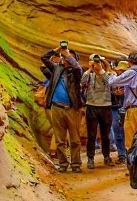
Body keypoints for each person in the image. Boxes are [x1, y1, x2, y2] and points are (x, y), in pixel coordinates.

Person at [41, 43, 84, 172]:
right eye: (64, 56)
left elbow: (77, 68)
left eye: (69, 57)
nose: (65, 57)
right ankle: (63, 164)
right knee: (60, 140)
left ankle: (76, 164)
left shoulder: (76, 72)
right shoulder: (56, 69)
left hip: (72, 109)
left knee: (75, 139)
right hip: (56, 108)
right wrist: (57, 50)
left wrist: (68, 55)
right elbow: (44, 58)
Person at [82, 54, 115, 168]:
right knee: (91, 135)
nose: (96, 64)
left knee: (105, 135)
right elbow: (82, 81)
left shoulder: (109, 74)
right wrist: (90, 69)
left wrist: (102, 69)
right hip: (91, 106)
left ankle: (107, 156)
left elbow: (110, 81)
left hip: (105, 106)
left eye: (98, 62)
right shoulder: (89, 75)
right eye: (94, 62)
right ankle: (90, 159)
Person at [109, 49, 137, 148]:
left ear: (129, 61)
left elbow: (112, 82)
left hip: (133, 110)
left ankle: (132, 157)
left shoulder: (131, 72)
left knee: (131, 140)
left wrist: (112, 74)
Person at [110, 60, 128, 161]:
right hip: (115, 108)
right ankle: (121, 154)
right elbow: (106, 93)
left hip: (126, 108)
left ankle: (127, 153)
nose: (121, 72)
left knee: (126, 132)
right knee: (117, 131)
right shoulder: (114, 80)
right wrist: (115, 93)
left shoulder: (129, 81)